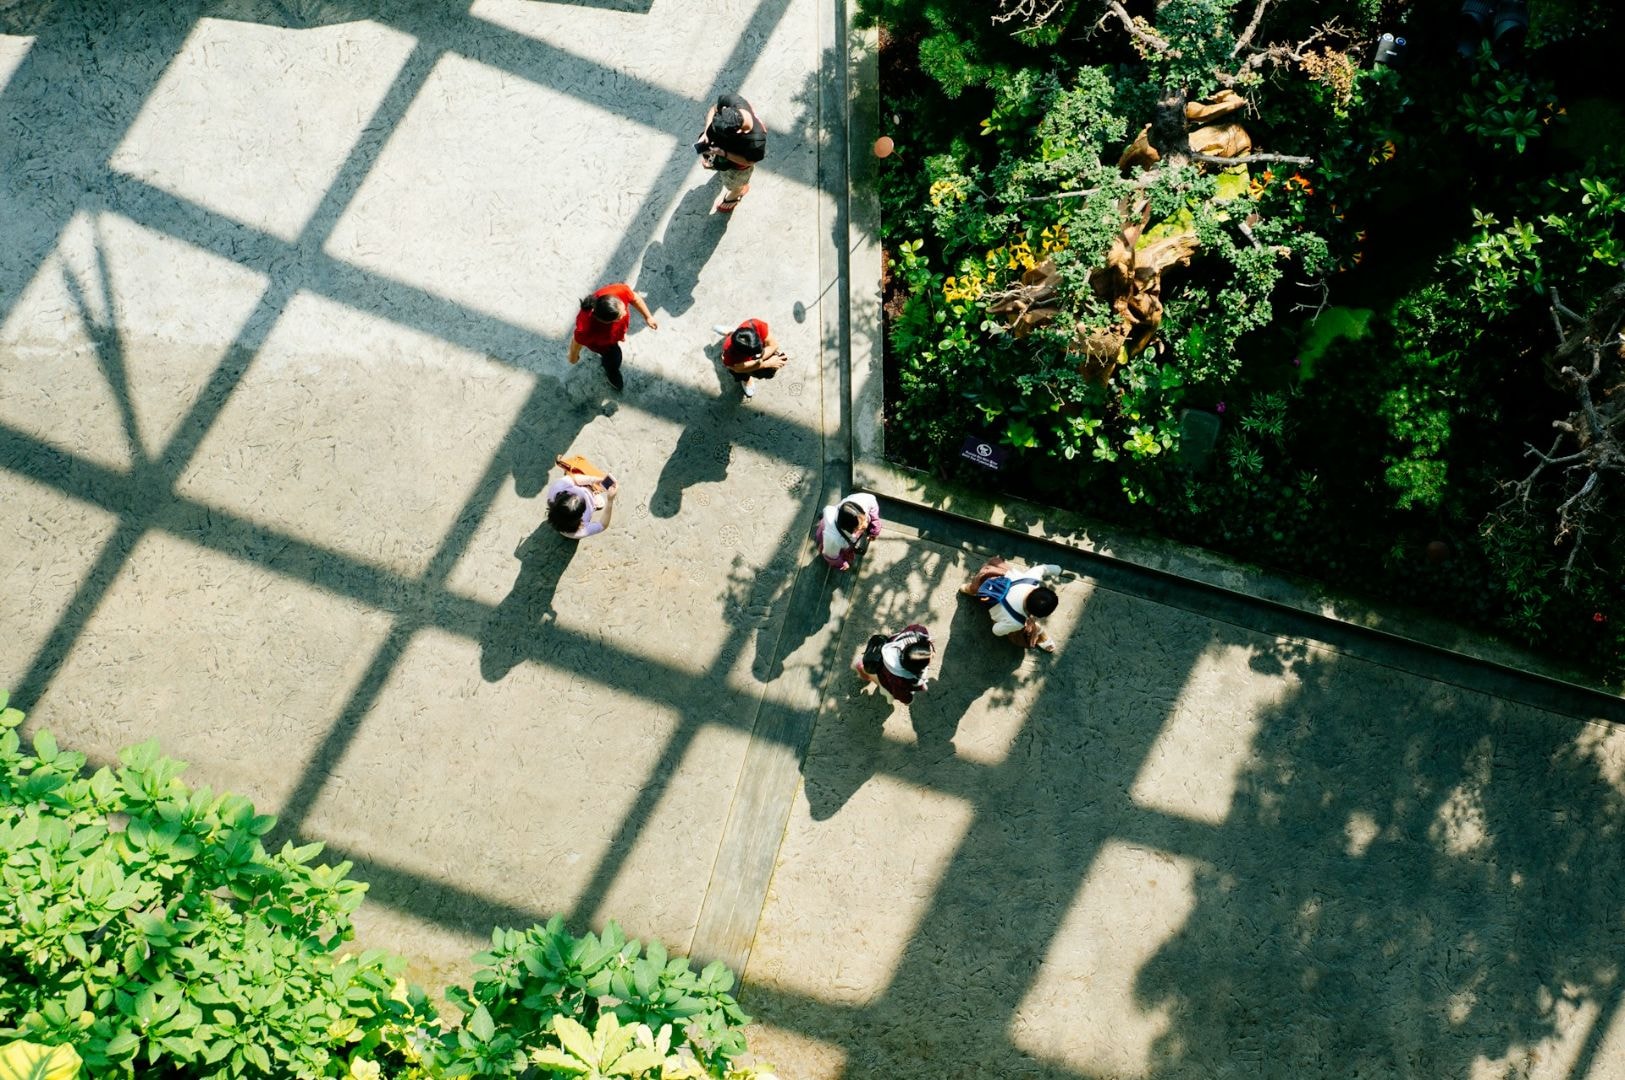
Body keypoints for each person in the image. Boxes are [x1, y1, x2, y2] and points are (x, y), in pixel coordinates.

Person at [568, 283, 658, 391]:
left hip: (614, 336)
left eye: (624, 308)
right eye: (620, 316)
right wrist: (573, 356)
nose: (625, 313)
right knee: (614, 358)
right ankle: (612, 372)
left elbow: (635, 298)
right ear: (606, 321)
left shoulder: (619, 291)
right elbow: (577, 342)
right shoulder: (587, 329)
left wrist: (648, 316)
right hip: (604, 346)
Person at [960, 556, 1061, 651]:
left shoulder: (1032, 579)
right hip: (993, 601)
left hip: (992, 577)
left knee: (1007, 573)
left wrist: (1057, 569)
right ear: (1037, 615)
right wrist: (1029, 621)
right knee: (1021, 636)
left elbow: (1042, 568)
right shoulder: (1016, 623)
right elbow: (996, 631)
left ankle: (971, 588)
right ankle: (1038, 630)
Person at [696, 92, 766, 213]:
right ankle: (717, 165)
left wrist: (724, 154)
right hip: (721, 153)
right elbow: (714, 108)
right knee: (716, 164)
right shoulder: (732, 100)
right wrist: (707, 132)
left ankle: (738, 191)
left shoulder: (756, 143)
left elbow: (749, 161)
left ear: (738, 132)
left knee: (733, 184)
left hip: (738, 166)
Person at [854, 624, 933, 705]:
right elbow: (899, 693)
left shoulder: (915, 634)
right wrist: (908, 700)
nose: (932, 654)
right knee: (887, 692)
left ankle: (865, 667)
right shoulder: (898, 679)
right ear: (914, 669)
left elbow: (918, 628)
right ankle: (862, 668)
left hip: (887, 648)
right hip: (884, 673)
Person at [544, 454, 618, 539]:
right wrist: (610, 501)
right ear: (580, 517)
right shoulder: (580, 531)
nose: (580, 494)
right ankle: (593, 500)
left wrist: (594, 480)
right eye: (584, 505)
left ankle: (591, 497)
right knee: (600, 502)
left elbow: (574, 479)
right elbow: (602, 525)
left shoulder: (557, 487)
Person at [717, 318, 788, 398]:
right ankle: (746, 380)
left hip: (748, 356)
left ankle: (733, 333)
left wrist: (760, 358)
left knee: (768, 371)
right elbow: (736, 369)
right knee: (741, 374)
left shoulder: (755, 324)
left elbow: (773, 345)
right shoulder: (729, 352)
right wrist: (766, 363)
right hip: (742, 364)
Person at [812, 492, 881, 571]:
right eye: (860, 526)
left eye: (865, 518)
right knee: (830, 548)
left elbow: (872, 500)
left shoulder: (860, 501)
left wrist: (875, 529)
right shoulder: (834, 539)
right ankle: (823, 545)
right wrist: (842, 564)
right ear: (849, 529)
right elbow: (831, 557)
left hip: (831, 525)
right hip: (829, 538)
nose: (865, 525)